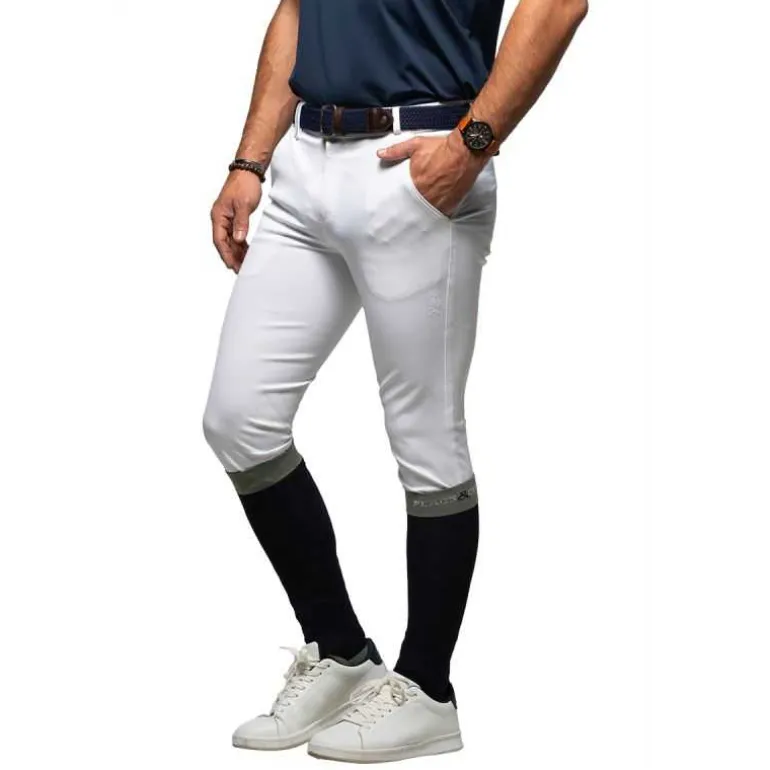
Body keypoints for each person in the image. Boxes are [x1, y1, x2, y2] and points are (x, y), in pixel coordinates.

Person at [203, 0, 587, 762]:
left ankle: (427, 689)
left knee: (425, 437)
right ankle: (342, 651)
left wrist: (472, 143)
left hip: (418, 157)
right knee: (238, 419)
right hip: (305, 164)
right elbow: (296, 10)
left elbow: (559, 4)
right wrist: (249, 161)